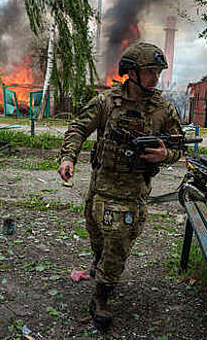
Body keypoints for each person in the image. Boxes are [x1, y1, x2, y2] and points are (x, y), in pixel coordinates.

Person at [57, 42, 184, 330]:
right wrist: (68, 158)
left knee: (117, 248)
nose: (156, 77)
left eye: (158, 72)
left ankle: (101, 298)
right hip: (100, 189)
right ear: (131, 72)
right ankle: (99, 265)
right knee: (98, 239)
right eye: (150, 71)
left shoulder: (163, 109)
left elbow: (178, 145)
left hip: (132, 193)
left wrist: (166, 154)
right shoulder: (107, 102)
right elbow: (78, 127)